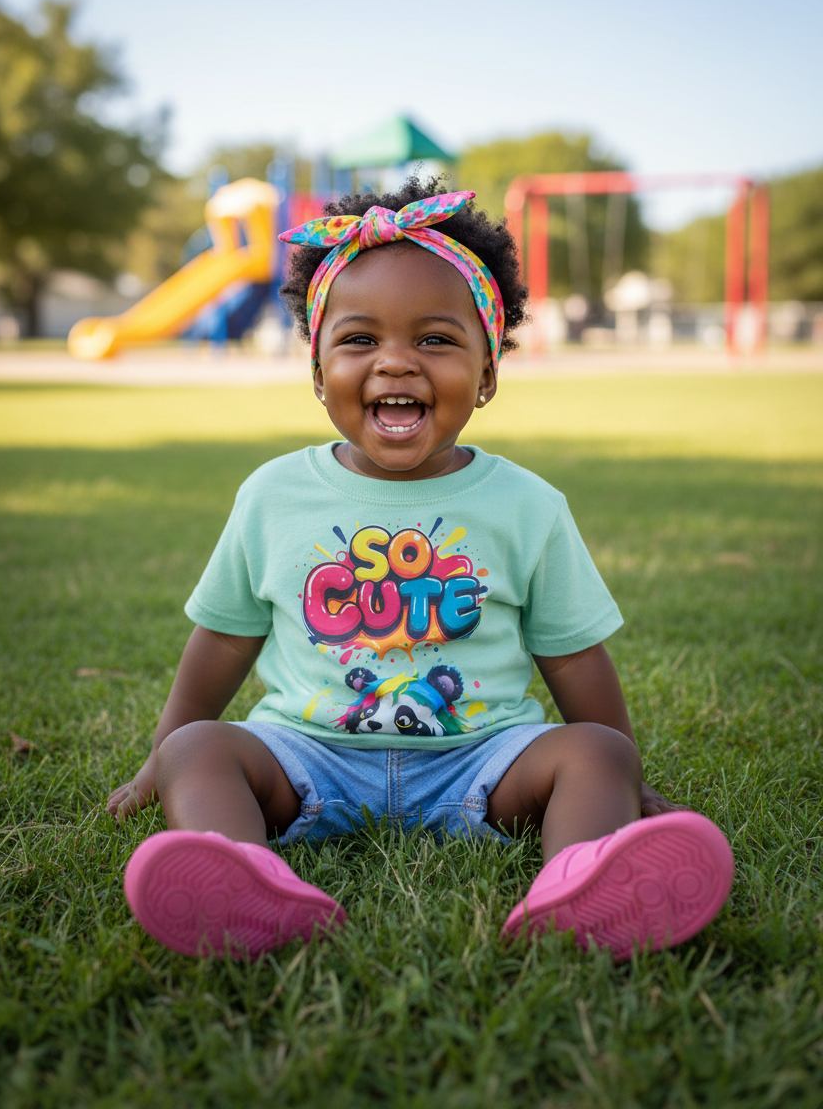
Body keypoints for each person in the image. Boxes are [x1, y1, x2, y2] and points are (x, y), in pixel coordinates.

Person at [107, 179, 733, 963]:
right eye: (360, 340)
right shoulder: (273, 495)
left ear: (487, 371)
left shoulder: (525, 504)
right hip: (304, 758)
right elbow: (224, 642)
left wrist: (626, 779)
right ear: (317, 368)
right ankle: (243, 879)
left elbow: (573, 657)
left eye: (436, 341)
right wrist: (156, 761)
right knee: (198, 748)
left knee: (599, 752)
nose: (395, 363)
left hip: (483, 761)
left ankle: (577, 881)